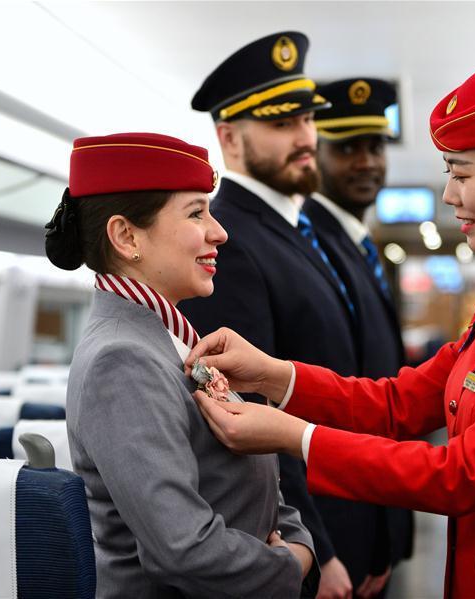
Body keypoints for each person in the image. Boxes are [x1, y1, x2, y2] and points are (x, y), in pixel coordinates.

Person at [186, 56, 475, 598]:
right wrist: (274, 376)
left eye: (460, 173)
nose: (449, 195)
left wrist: (294, 437)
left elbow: (464, 474)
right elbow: (398, 404)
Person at [44, 132, 317, 598]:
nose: (220, 231)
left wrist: (298, 540)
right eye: (196, 213)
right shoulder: (121, 359)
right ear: (126, 236)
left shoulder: (168, 338)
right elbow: (183, 548)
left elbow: (256, 479)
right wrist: (290, 564)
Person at [181, 31, 392, 599]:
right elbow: (249, 417)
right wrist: (320, 551)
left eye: (307, 121)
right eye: (282, 124)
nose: (305, 138)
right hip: (311, 537)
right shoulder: (229, 242)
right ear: (229, 138)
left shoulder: (298, 232)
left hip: (356, 514)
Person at [304, 77, 414, 597]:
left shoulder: (359, 246)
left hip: (370, 518)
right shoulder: (311, 246)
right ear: (314, 155)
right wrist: (324, 547)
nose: (367, 161)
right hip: (336, 521)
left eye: (374, 146)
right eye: (347, 148)